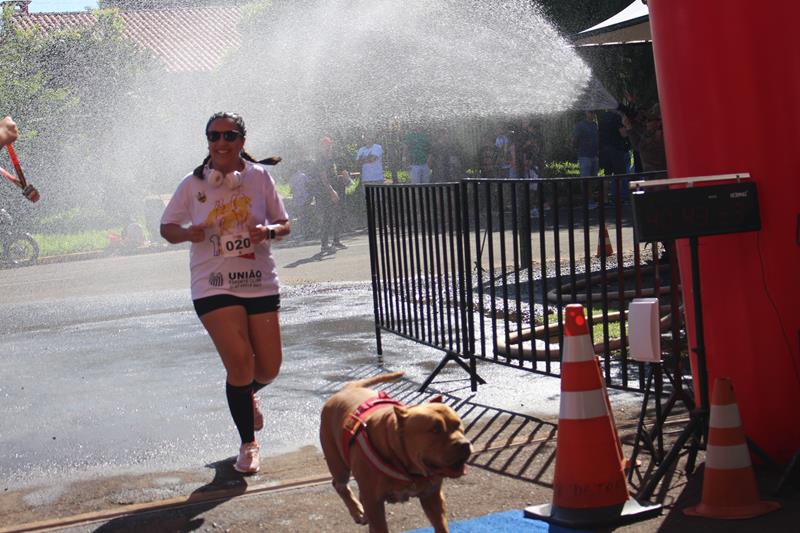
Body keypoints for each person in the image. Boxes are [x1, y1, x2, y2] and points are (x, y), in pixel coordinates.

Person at [160, 112, 290, 475]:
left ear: (242, 142)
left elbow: (285, 224)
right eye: (214, 136)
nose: (221, 142)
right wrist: (190, 233)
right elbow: (167, 227)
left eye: (229, 136)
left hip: (258, 280)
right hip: (212, 285)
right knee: (240, 363)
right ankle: (248, 445)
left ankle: (247, 394)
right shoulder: (194, 183)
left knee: (269, 368)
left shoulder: (260, 178)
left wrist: (268, 231)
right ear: (207, 142)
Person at [313, 136, 349, 253]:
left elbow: (339, 170)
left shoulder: (334, 156)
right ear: (321, 146)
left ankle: (336, 240)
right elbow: (323, 177)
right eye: (325, 145)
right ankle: (324, 244)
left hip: (337, 188)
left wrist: (345, 176)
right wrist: (331, 191)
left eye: (329, 144)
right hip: (325, 191)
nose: (328, 147)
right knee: (327, 217)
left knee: (339, 214)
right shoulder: (320, 159)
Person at [623, 103, 667, 172]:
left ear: (659, 122)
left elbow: (638, 146)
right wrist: (630, 126)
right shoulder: (652, 133)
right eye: (646, 120)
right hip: (653, 176)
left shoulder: (658, 136)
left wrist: (629, 127)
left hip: (659, 176)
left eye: (649, 120)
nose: (646, 123)